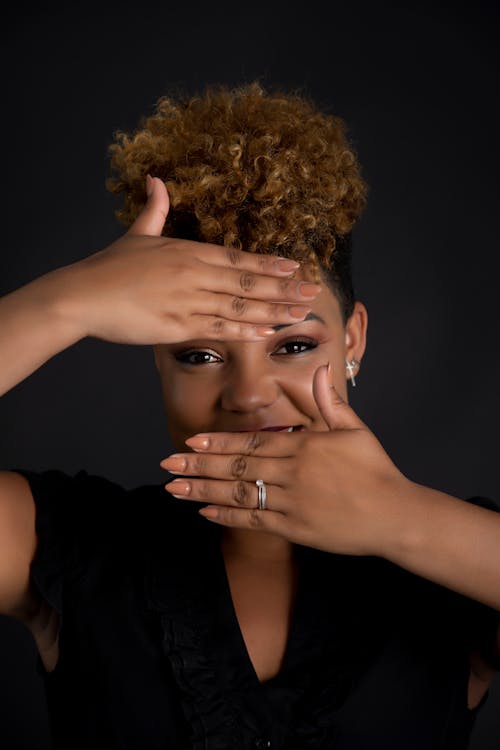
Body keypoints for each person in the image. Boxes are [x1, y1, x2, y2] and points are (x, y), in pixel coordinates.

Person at [0, 81, 499, 750]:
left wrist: (400, 519)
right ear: (157, 361)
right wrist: (63, 304)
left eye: (293, 345)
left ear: (352, 340)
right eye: (201, 354)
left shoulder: (457, 569)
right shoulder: (76, 548)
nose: (249, 393)